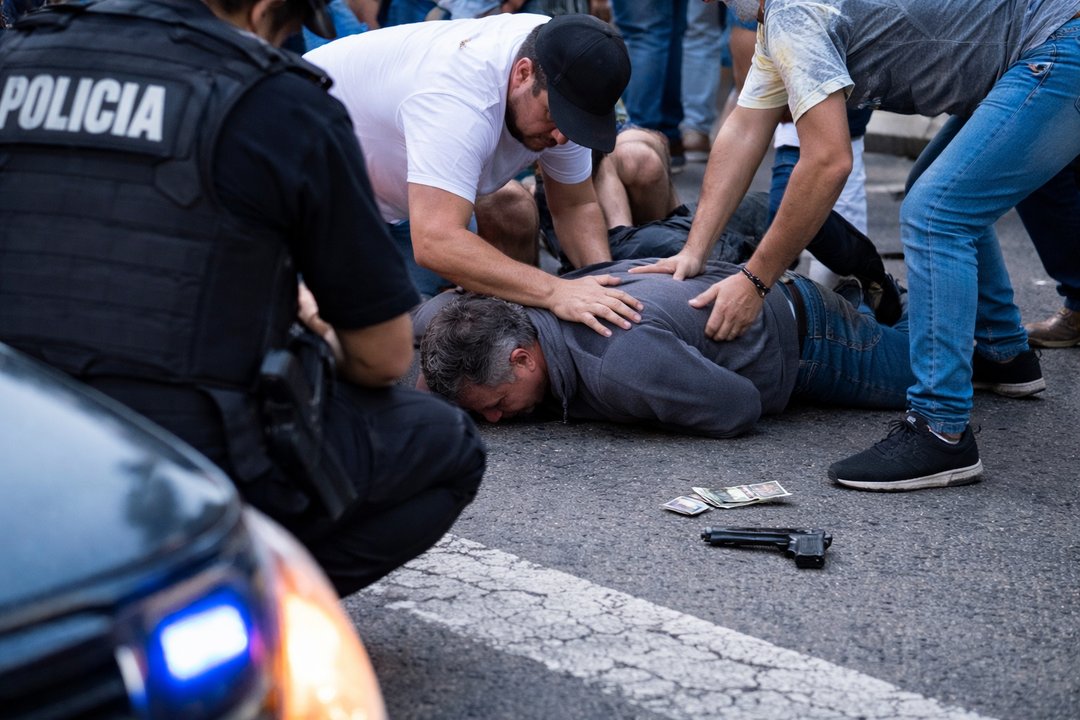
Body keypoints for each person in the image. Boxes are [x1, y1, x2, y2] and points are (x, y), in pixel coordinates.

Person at [0, 0, 486, 596]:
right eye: (285, 31)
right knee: (446, 445)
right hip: (174, 458)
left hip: (19, 431)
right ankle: (246, 607)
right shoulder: (281, 101)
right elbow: (384, 357)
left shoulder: (16, 60)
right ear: (260, 12)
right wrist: (313, 324)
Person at [632, 0, 1080, 491]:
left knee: (936, 213)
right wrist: (693, 251)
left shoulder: (792, 12)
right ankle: (1003, 354)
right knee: (938, 190)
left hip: (1058, 41)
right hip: (1042, 42)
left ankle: (941, 429)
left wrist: (755, 280)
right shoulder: (776, 20)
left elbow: (827, 161)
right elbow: (743, 129)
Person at [303, 13, 644, 338]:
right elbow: (436, 241)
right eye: (556, 119)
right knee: (378, 345)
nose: (562, 138)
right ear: (523, 74)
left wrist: (603, 289)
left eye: (575, 124)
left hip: (403, 196)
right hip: (310, 199)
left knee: (508, 221)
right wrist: (555, 290)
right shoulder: (458, 99)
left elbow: (574, 206)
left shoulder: (567, 64)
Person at [418, 259, 912, 438]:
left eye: (498, 405)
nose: (497, 422)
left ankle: (941, 299)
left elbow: (738, 407)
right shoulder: (526, 306)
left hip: (811, 340)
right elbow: (428, 320)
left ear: (521, 357)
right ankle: (866, 303)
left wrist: (641, 406)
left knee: (941, 366)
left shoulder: (621, 366)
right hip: (754, 292)